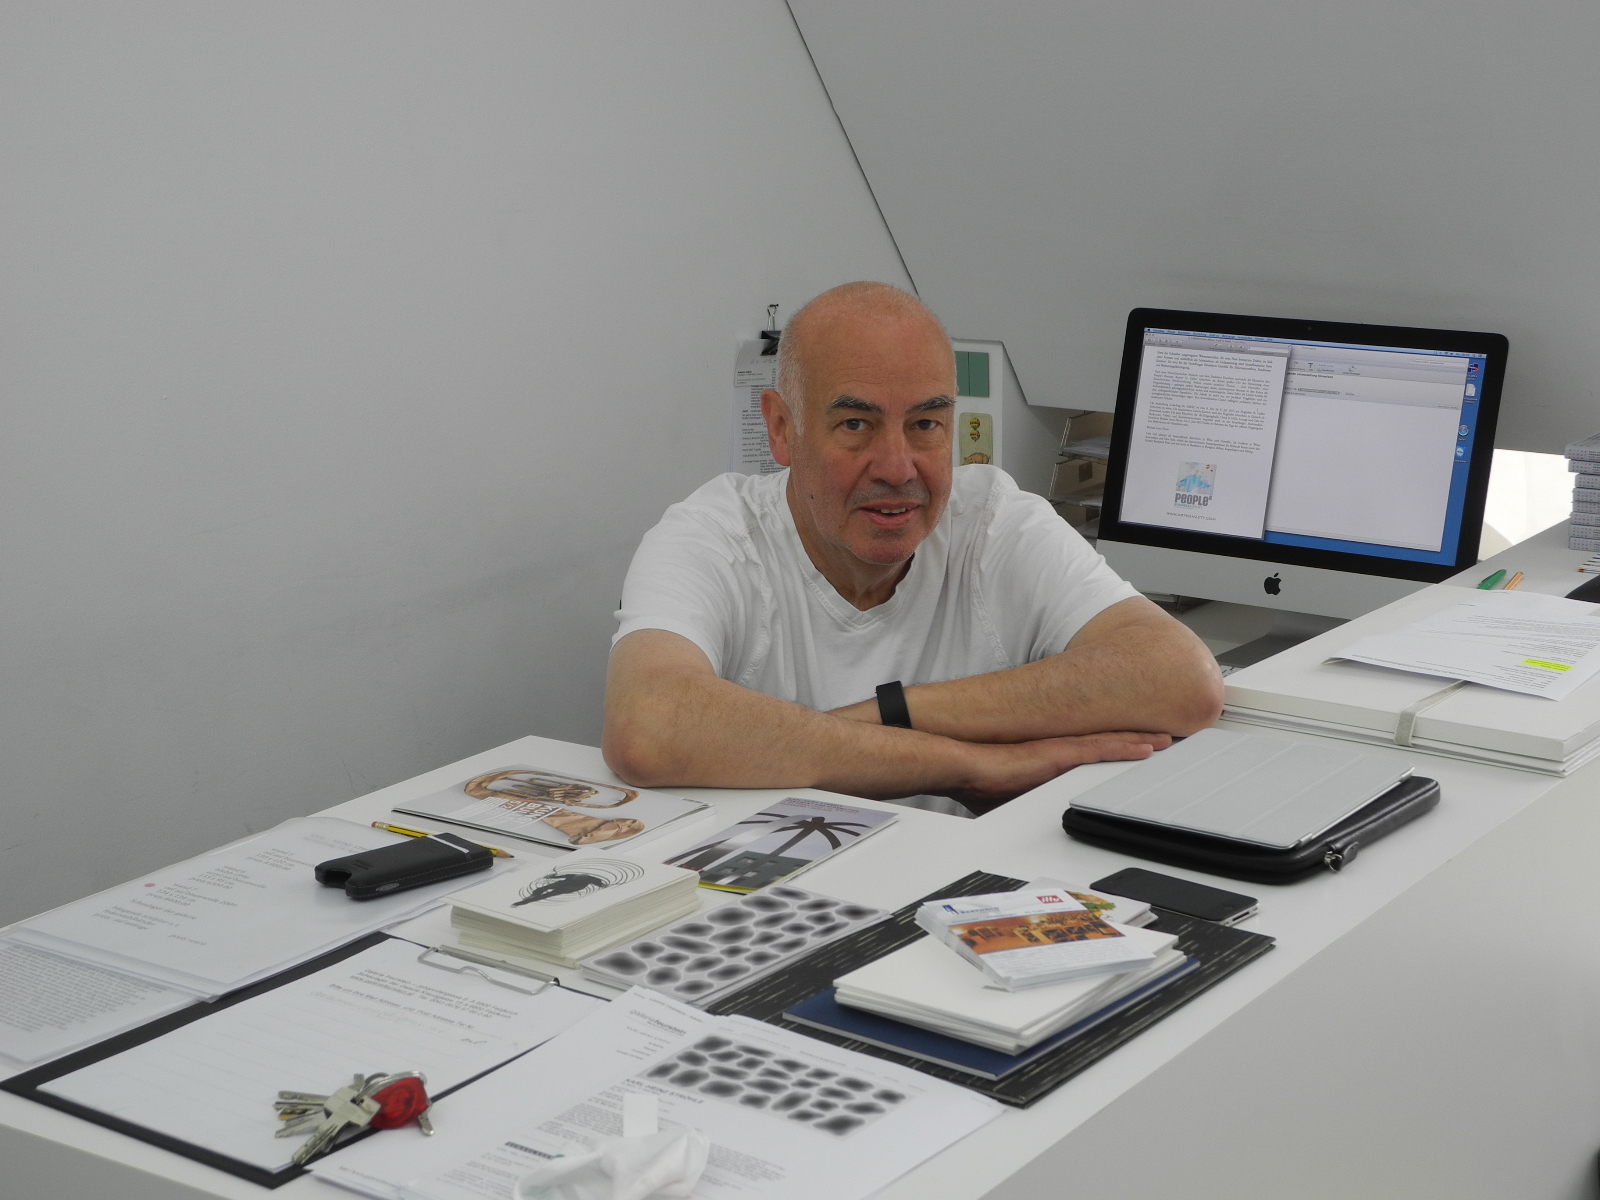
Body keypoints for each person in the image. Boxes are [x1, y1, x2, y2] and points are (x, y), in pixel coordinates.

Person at [603, 283, 1222, 813]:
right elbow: (648, 727)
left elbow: (1183, 680)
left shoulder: (992, 522)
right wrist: (968, 766)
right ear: (783, 428)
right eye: (856, 425)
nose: (898, 468)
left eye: (925, 424)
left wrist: (888, 715)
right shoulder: (714, 536)